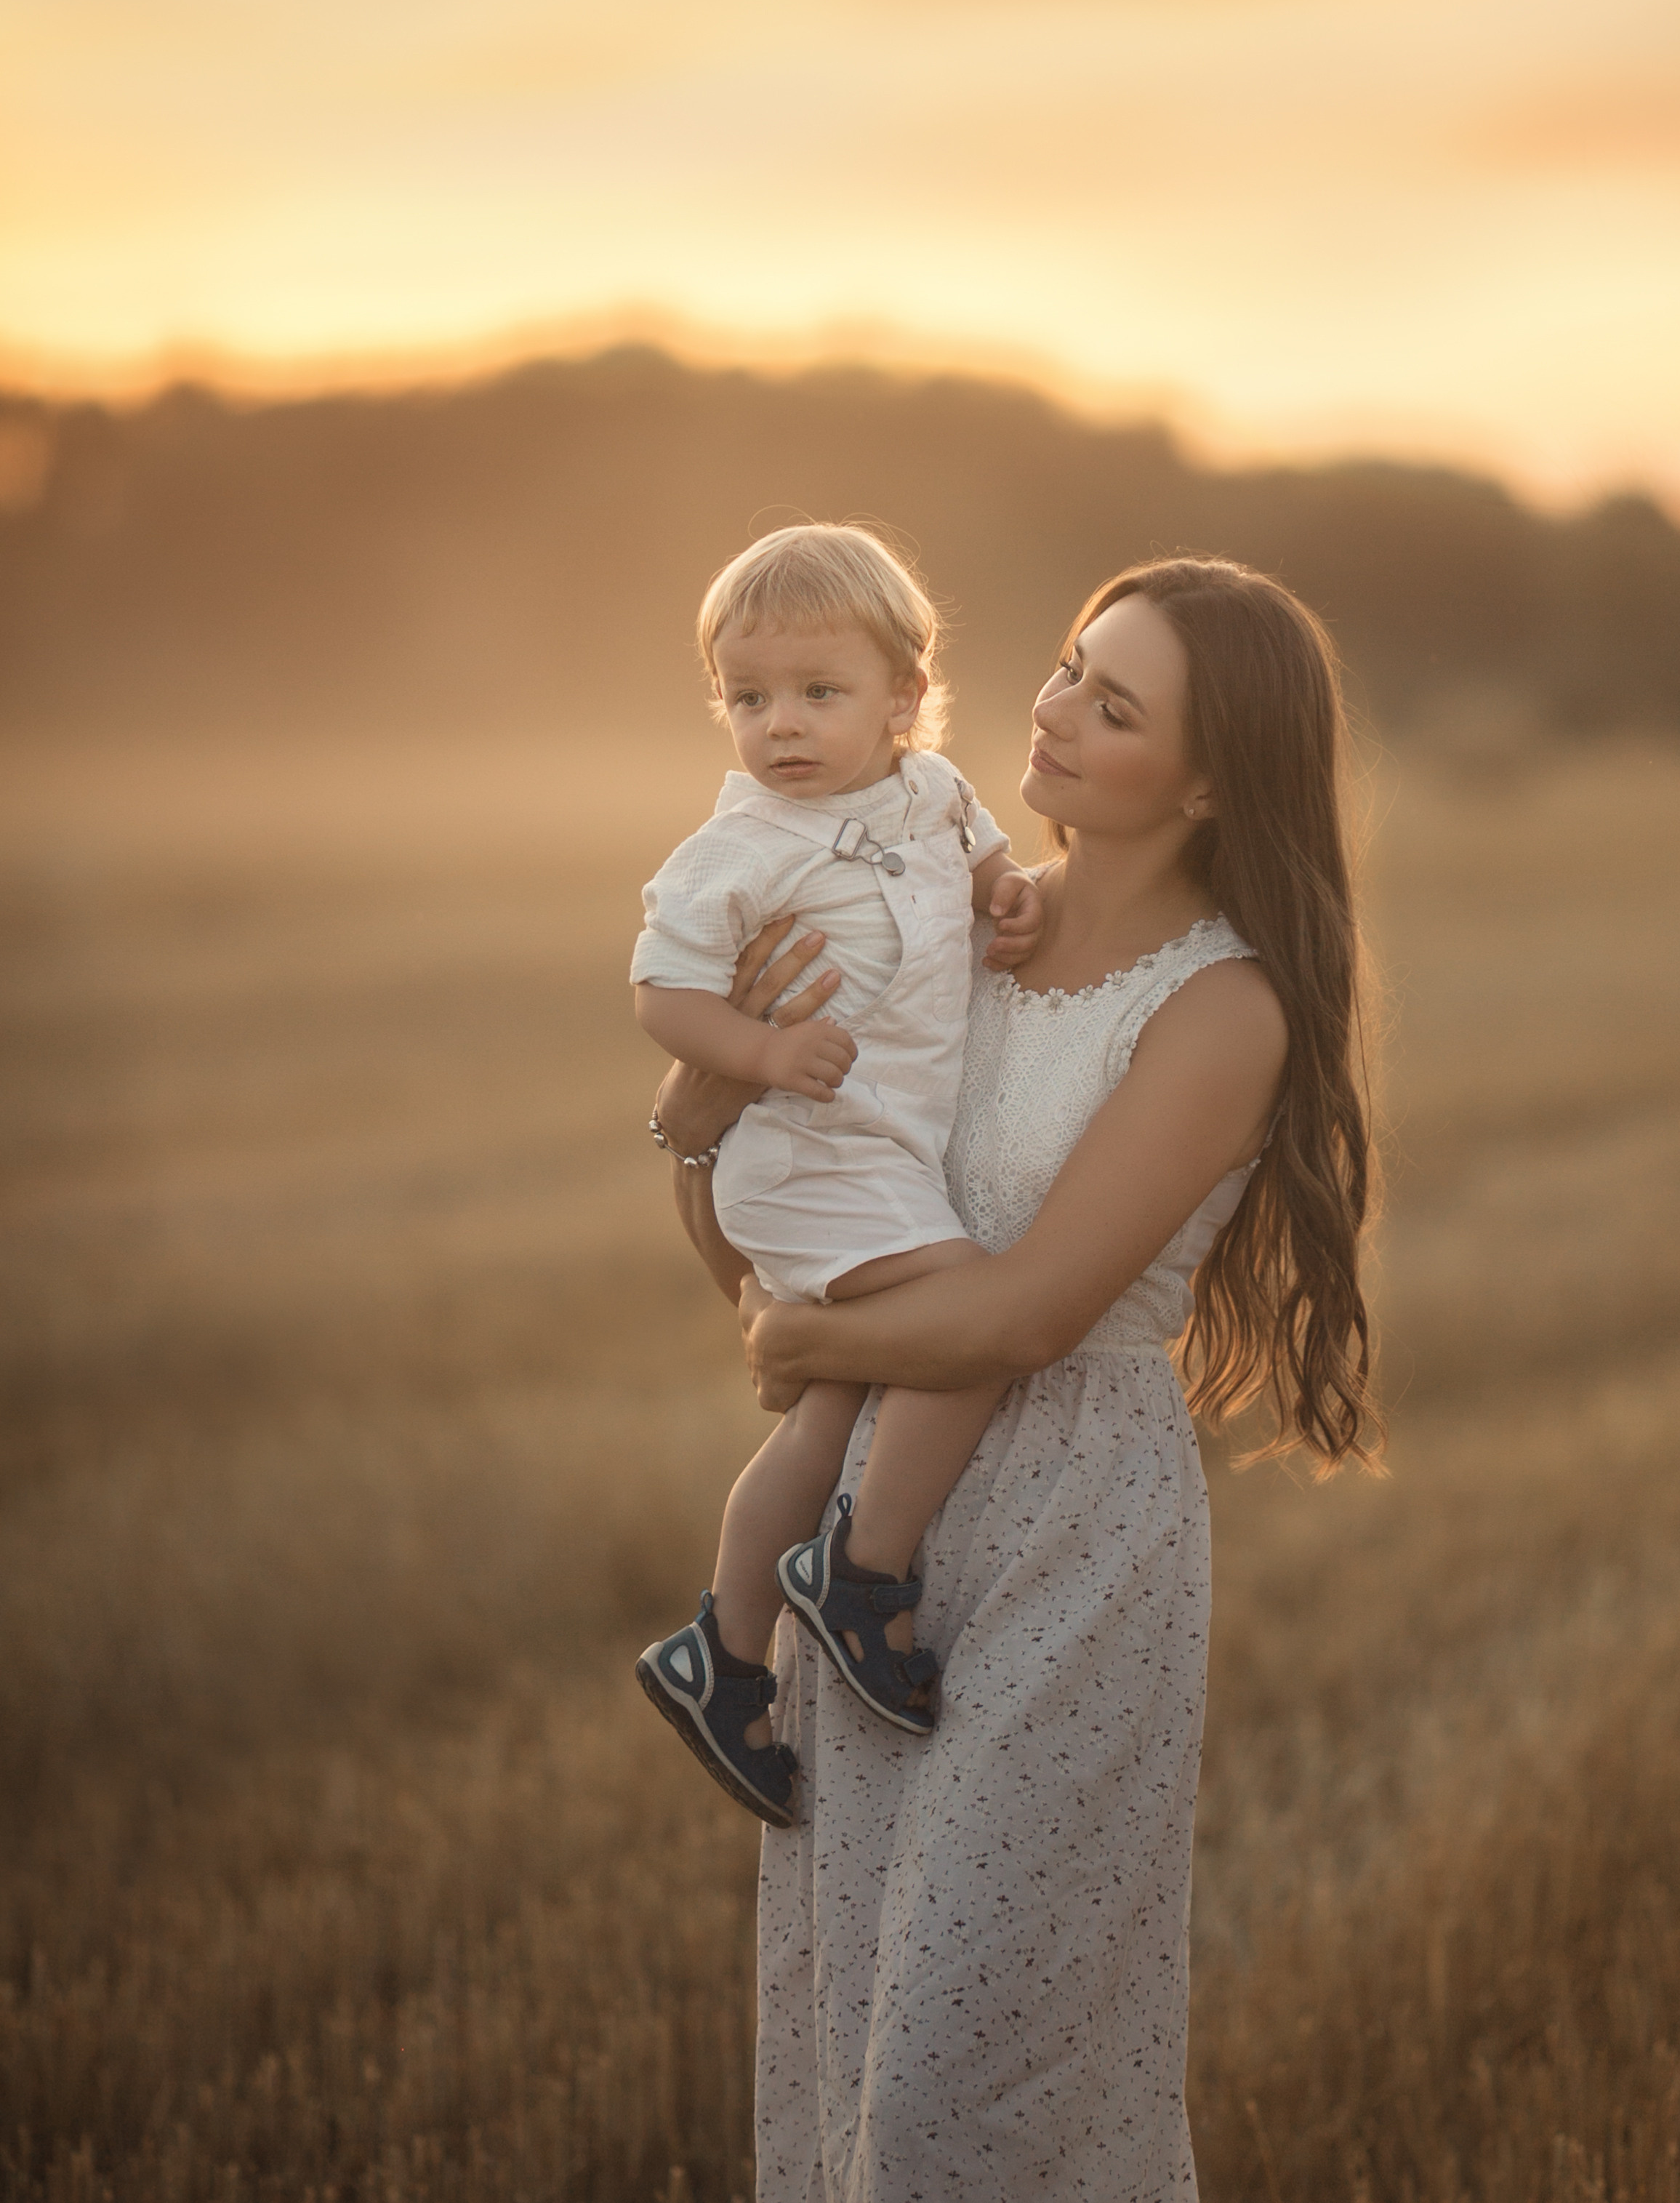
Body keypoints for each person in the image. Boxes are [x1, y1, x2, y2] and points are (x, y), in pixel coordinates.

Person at [649, 553, 1382, 2199]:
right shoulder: (944, 929)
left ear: (1204, 781)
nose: (1048, 710)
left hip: (1069, 1535)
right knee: (854, 2058)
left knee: (959, 2094)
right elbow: (765, 1278)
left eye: (1111, 706)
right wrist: (698, 1124)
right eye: (1064, 666)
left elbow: (1027, 1316)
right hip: (874, 1530)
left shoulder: (1223, 1009)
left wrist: (814, 1342)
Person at [633, 526, 1046, 1825]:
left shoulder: (935, 793)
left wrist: (1012, 896)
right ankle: (861, 1573)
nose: (782, 729)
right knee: (973, 1316)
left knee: (829, 1415)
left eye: (819, 694)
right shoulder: (740, 847)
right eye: (749, 699)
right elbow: (659, 991)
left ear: (905, 702)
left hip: (880, 1154)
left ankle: (723, 1647)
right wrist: (757, 1047)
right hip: (809, 1157)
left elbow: (986, 865)